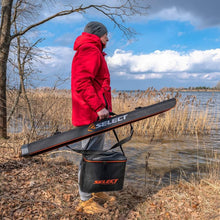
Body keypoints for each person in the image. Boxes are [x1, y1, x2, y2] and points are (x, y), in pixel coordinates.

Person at [71, 21, 115, 214]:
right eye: (106, 35)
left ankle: (94, 190)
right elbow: (82, 82)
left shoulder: (92, 50)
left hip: (95, 115)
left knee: (96, 155)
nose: (108, 38)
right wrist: (98, 107)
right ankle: (85, 200)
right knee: (89, 157)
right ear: (98, 35)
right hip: (90, 115)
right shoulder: (89, 50)